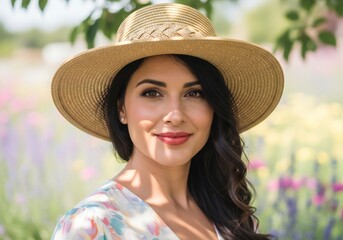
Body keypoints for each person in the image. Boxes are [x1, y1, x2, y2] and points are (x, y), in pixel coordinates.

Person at [51, 3, 283, 240]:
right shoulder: (91, 225)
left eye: (194, 93)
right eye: (152, 93)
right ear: (122, 108)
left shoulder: (229, 213)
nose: (175, 115)